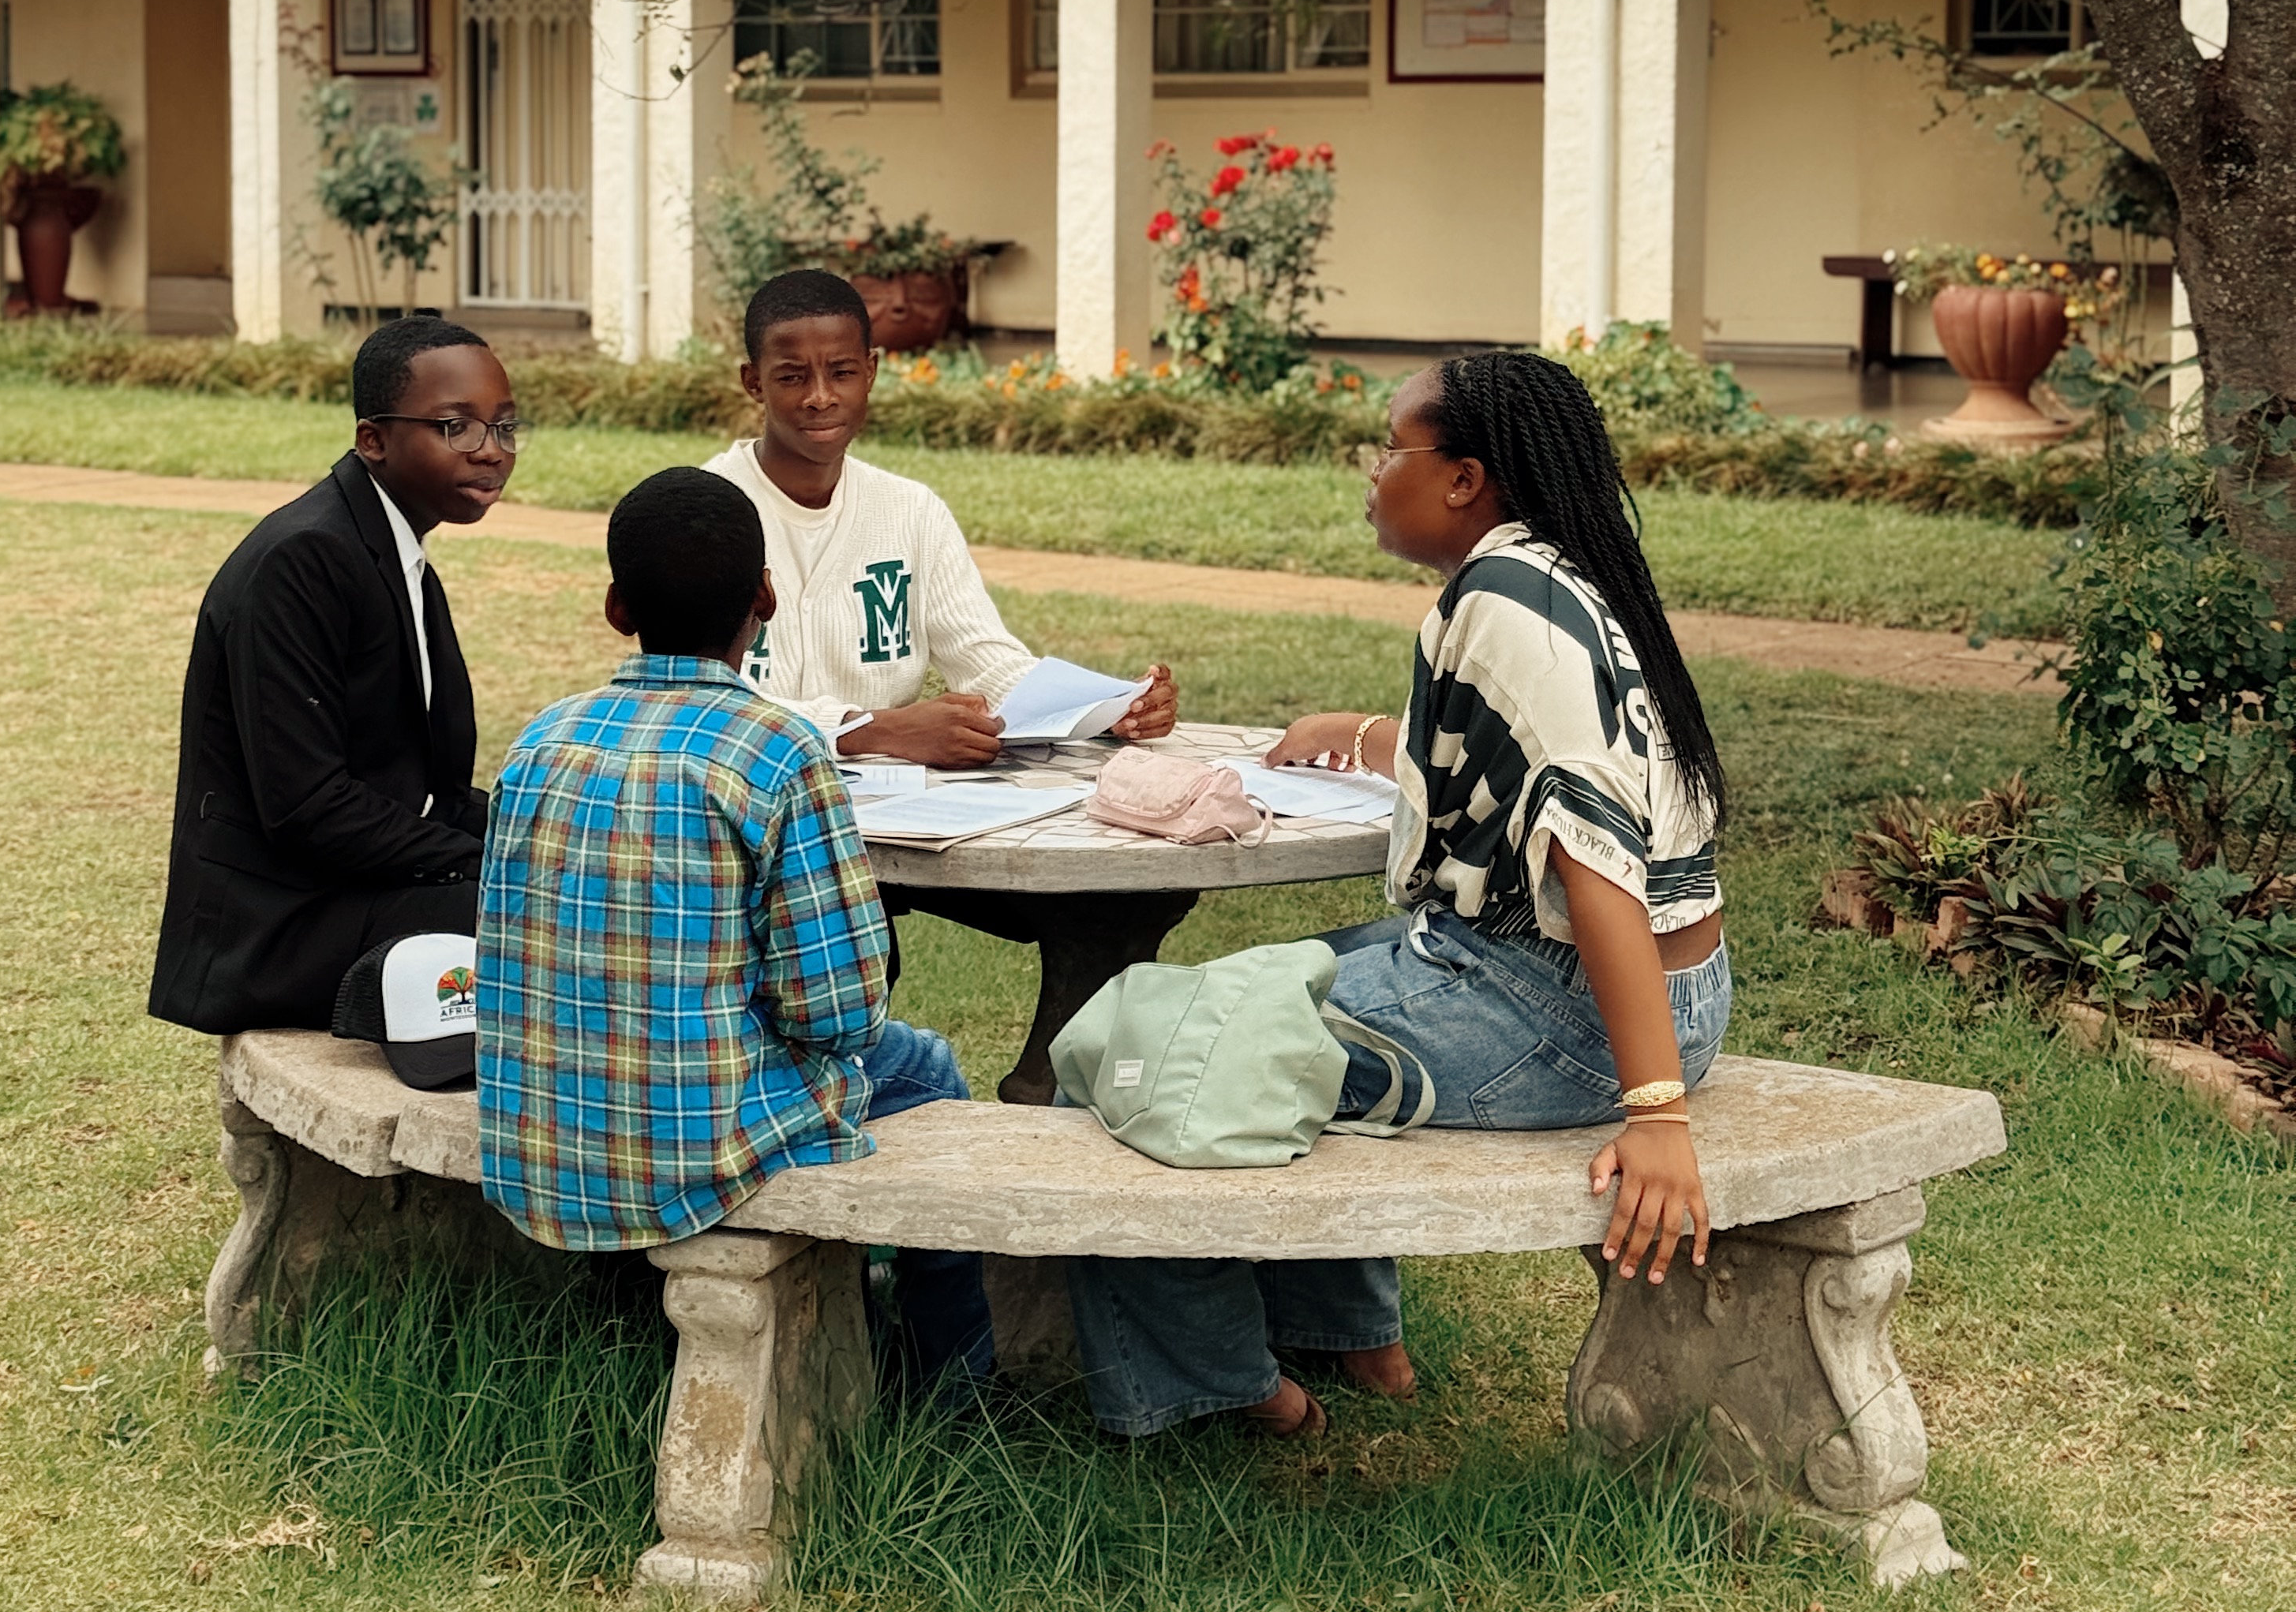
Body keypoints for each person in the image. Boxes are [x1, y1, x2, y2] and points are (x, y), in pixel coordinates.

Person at [1063, 348, 1732, 1441]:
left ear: (1464, 479)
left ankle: (1224, 1383)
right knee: (1273, 986)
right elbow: (1515, 760)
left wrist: (1654, 1115)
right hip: (1659, 988)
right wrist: (1370, 737)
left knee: (1134, 1047)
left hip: (1570, 1017)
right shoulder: (1553, 573)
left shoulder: (1508, 604)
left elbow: (1591, 857)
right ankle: (1347, 1333)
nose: (1371, 474)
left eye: (1390, 450)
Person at [475, 465, 991, 1389]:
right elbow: (840, 1015)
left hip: (534, 1139)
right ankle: (949, 1393)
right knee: (931, 1068)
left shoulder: (540, 740)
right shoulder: (778, 752)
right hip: (695, 1153)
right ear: (766, 599)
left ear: (616, 608)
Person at [703, 269, 1185, 1101]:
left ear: (874, 370)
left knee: (1125, 892)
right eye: (792, 375)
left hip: (907, 817)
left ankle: (1044, 1093)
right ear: (753, 382)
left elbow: (990, 660)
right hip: (771, 824)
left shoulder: (909, 510)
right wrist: (871, 729)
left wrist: (1105, 707)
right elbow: (711, 694)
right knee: (846, 959)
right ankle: (839, 1100)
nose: (820, 396)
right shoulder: (709, 509)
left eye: (842, 371)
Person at [147, 316, 517, 1038]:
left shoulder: (394, 549)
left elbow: (420, 786)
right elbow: (307, 807)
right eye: (456, 428)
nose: (491, 452)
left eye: (504, 427)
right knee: (540, 914)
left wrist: (534, 834)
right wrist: (489, 861)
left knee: (569, 884)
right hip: (279, 926)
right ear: (372, 440)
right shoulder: (304, 559)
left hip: (352, 883)